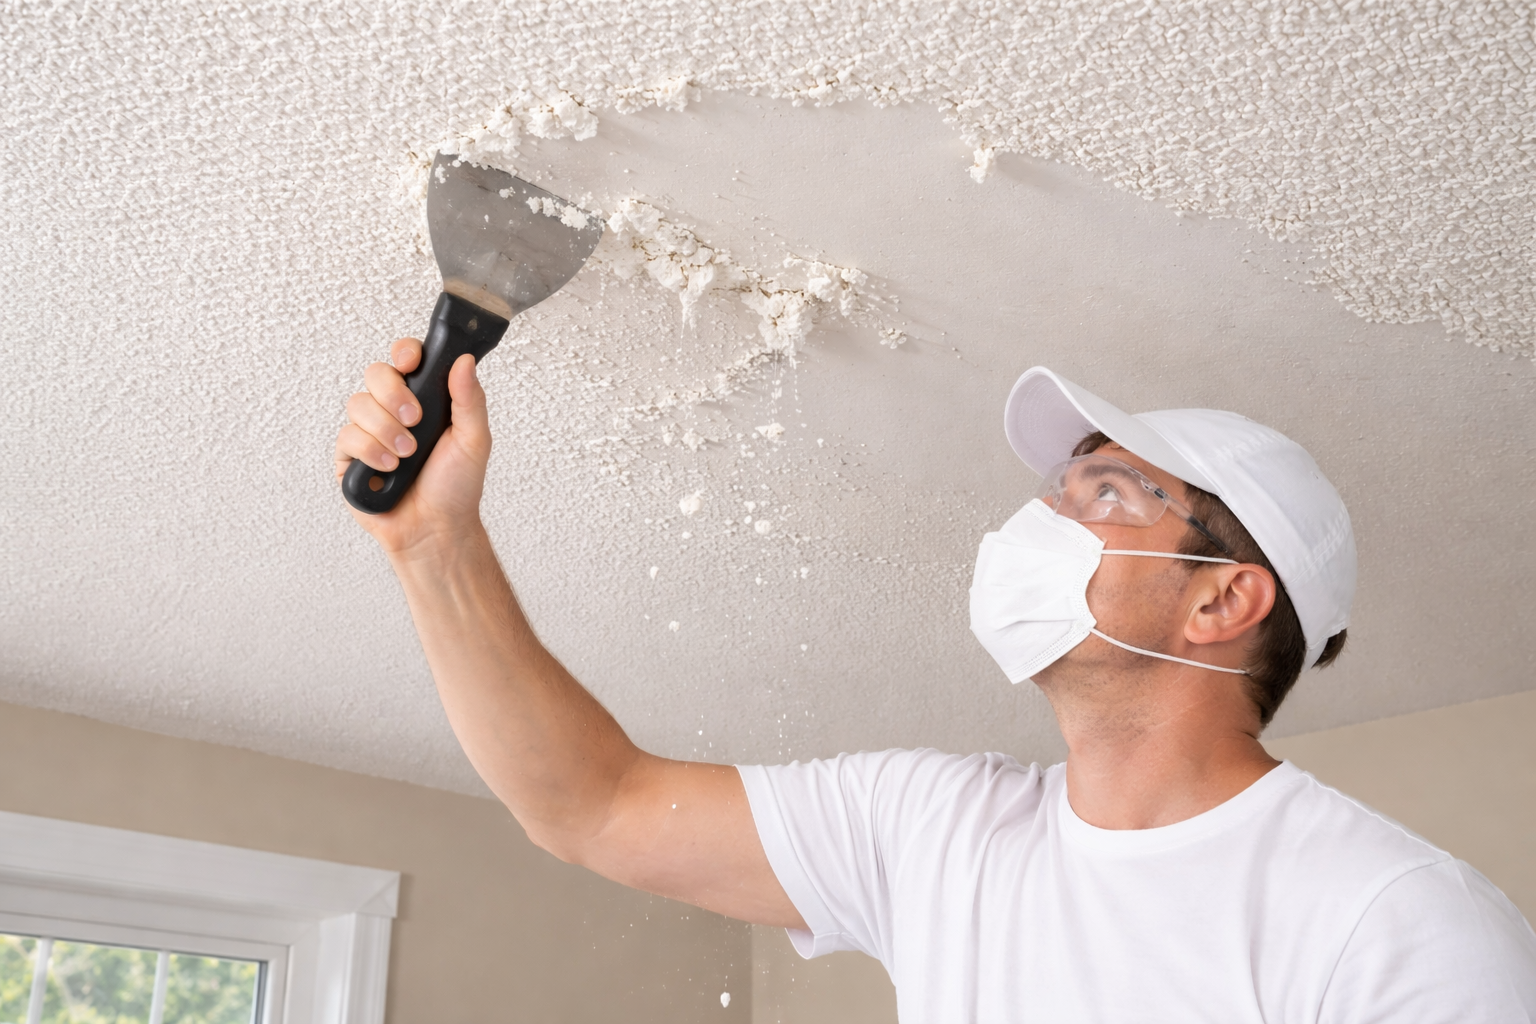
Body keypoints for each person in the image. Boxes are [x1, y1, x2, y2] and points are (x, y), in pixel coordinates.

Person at [336, 345, 1536, 1021]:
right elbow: (590, 804)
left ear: (1222, 598)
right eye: (1057, 493)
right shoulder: (933, 828)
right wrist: (435, 544)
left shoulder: (1396, 920)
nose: (1047, 521)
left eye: (1107, 494)